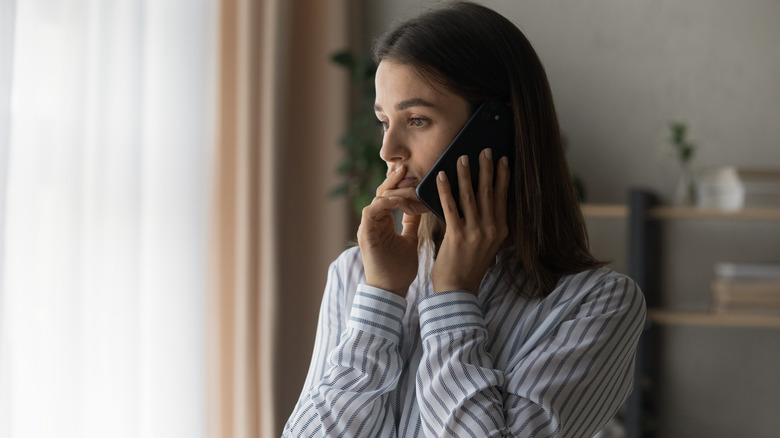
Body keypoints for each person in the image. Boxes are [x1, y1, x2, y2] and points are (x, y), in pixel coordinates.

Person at [283, 2, 645, 437]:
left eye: (417, 119)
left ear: (496, 129)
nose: (388, 150)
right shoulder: (357, 275)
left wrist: (453, 297)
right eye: (385, 121)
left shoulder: (596, 305)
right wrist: (381, 298)